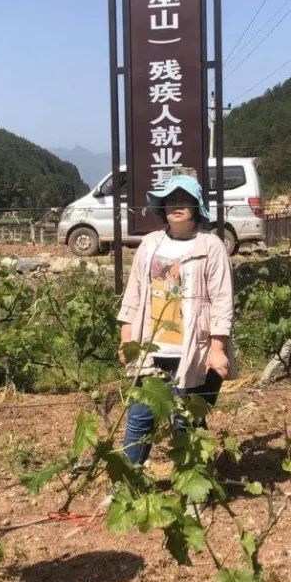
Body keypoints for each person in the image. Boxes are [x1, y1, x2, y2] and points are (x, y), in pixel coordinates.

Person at [117, 173, 234, 466]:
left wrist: (218, 348)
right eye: (170, 200)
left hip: (194, 349)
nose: (177, 205)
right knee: (140, 418)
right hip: (151, 349)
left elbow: (222, 300)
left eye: (184, 200)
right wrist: (126, 340)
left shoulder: (211, 246)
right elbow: (133, 296)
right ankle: (128, 485)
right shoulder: (150, 244)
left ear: (196, 207)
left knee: (188, 422)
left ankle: (192, 485)